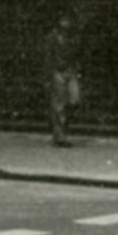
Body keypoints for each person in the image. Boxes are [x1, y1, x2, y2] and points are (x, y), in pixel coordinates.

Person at [44, 8, 82, 147]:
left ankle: (62, 130)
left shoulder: (73, 38)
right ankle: (60, 135)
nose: (66, 22)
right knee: (59, 104)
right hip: (58, 71)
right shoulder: (52, 37)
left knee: (74, 100)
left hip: (70, 70)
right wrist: (48, 75)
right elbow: (48, 57)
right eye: (64, 19)